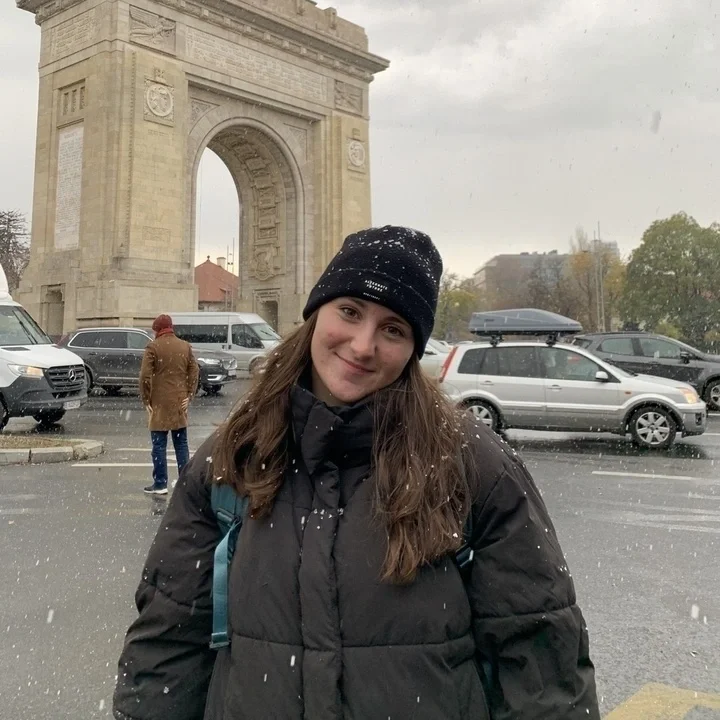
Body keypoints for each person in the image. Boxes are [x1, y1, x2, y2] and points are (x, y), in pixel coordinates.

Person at [114, 227, 599, 719]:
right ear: (316, 313)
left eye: (394, 329)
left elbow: (542, 667)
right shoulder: (232, 457)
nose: (364, 345)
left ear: (413, 348)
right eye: (350, 311)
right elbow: (167, 648)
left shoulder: (476, 467)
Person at [139, 314, 199, 495]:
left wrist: (146, 399)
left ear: (157, 329)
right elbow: (194, 370)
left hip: (159, 402)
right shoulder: (185, 346)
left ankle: (160, 483)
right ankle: (184, 483)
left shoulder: (153, 347)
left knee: (159, 445)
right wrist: (189, 394)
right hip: (179, 401)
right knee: (181, 444)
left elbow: (145, 376)